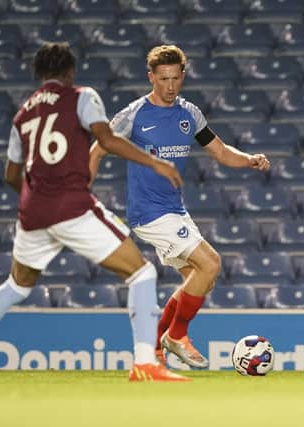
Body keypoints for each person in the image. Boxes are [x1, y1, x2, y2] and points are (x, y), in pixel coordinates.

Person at [0, 42, 190, 382]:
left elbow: (10, 175)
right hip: (71, 205)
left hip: (32, 212)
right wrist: (155, 162)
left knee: (16, 286)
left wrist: (38, 198)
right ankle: (144, 363)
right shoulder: (81, 96)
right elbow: (106, 140)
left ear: (39, 74)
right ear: (69, 72)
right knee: (142, 273)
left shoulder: (23, 113)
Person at [89, 45, 270, 369]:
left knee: (200, 279)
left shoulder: (190, 113)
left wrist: (250, 160)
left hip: (174, 210)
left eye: (175, 78)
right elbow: (98, 150)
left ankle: (157, 347)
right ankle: (176, 336)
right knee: (211, 263)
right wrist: (81, 189)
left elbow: (221, 151)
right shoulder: (133, 115)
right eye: (163, 79)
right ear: (151, 78)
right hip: (149, 212)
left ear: (182, 76)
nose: (170, 86)